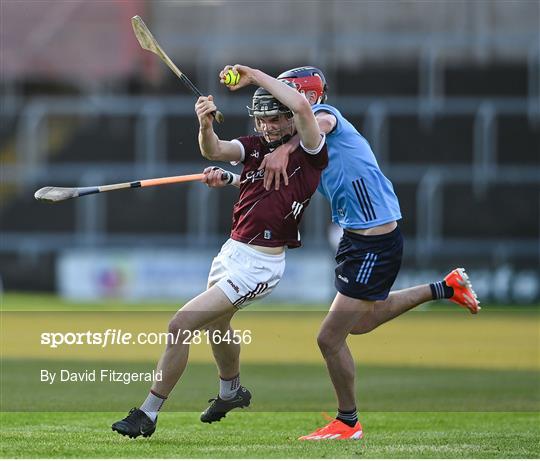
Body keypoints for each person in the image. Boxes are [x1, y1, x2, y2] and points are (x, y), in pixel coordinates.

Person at [205, 66, 480, 440]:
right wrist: (233, 179)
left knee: (329, 338)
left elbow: (309, 120)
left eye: (286, 96)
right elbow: (278, 182)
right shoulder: (304, 147)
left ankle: (348, 422)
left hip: (375, 239)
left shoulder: (326, 116)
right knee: (363, 321)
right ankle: (445, 287)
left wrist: (254, 76)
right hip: (357, 238)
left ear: (306, 95)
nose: (278, 109)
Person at [110, 64, 328, 438]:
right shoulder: (256, 147)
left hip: (261, 264)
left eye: (275, 119)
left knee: (181, 325)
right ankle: (231, 391)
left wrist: (255, 76)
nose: (267, 127)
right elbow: (215, 149)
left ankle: (148, 414)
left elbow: (307, 113)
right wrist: (205, 124)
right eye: (262, 120)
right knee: (218, 326)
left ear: (291, 117)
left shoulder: (310, 151)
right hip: (231, 252)